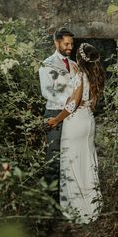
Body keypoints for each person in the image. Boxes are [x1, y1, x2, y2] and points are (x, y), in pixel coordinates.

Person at [47, 42, 105, 224]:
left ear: (80, 58)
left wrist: (56, 119)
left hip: (76, 122)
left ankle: (77, 208)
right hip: (89, 121)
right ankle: (92, 204)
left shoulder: (81, 75)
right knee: (87, 160)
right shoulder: (94, 75)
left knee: (71, 161)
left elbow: (73, 103)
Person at [38, 27, 78, 196]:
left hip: (73, 115)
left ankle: (67, 194)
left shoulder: (75, 65)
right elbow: (46, 91)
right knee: (53, 156)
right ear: (57, 42)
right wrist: (68, 103)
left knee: (71, 155)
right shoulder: (47, 64)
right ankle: (51, 198)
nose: (70, 47)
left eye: (71, 44)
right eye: (66, 43)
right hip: (54, 114)